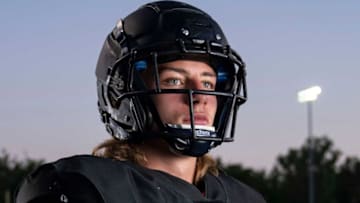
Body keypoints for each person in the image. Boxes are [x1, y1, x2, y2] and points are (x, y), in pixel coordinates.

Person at [15, 1, 266, 202]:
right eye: (174, 81)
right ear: (121, 92)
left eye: (208, 83)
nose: (199, 97)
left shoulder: (244, 196)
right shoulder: (83, 188)